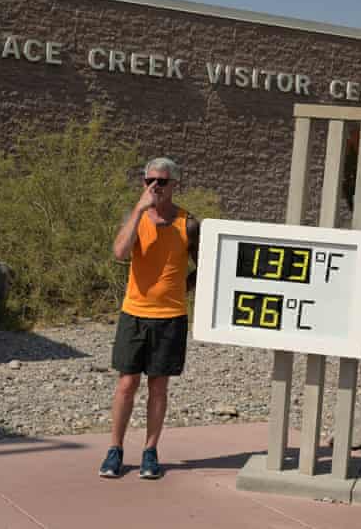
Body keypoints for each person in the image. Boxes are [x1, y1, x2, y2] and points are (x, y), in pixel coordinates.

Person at [99, 157, 199, 480]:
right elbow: (119, 253)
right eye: (149, 181)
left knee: (159, 386)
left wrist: (184, 287)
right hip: (134, 313)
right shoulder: (135, 217)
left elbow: (206, 263)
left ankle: (150, 451)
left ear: (174, 185)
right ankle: (115, 450)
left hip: (171, 316)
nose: (155, 186)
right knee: (127, 383)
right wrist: (140, 210)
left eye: (162, 182)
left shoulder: (188, 223)